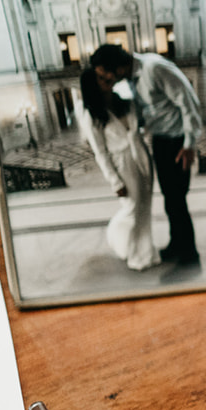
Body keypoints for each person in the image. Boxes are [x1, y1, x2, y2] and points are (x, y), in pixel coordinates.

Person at [91, 43, 203, 265]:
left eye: (107, 75)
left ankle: (189, 251)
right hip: (161, 141)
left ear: (118, 68)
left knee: (177, 199)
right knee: (170, 199)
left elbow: (189, 103)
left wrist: (189, 144)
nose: (108, 81)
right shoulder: (132, 79)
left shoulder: (155, 68)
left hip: (178, 142)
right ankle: (176, 243)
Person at [75, 67, 160, 271]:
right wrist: (115, 181)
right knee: (131, 209)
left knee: (144, 208)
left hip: (141, 156)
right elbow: (100, 152)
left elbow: (142, 124)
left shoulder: (124, 101)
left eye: (106, 75)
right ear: (91, 84)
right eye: (100, 77)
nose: (108, 77)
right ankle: (121, 242)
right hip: (122, 163)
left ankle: (145, 252)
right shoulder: (91, 114)